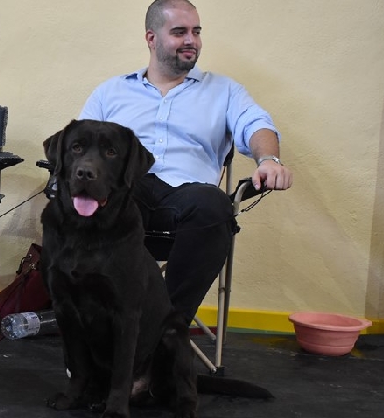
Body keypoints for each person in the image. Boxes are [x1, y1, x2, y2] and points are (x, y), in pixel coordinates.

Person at [78, 0, 293, 325]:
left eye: (196, 31)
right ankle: (117, 322)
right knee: (103, 199)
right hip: (127, 197)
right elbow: (81, 147)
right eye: (179, 32)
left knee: (214, 204)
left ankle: (164, 327)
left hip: (189, 203)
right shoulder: (111, 92)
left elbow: (256, 124)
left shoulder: (225, 91)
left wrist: (269, 160)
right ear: (152, 38)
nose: (191, 40)